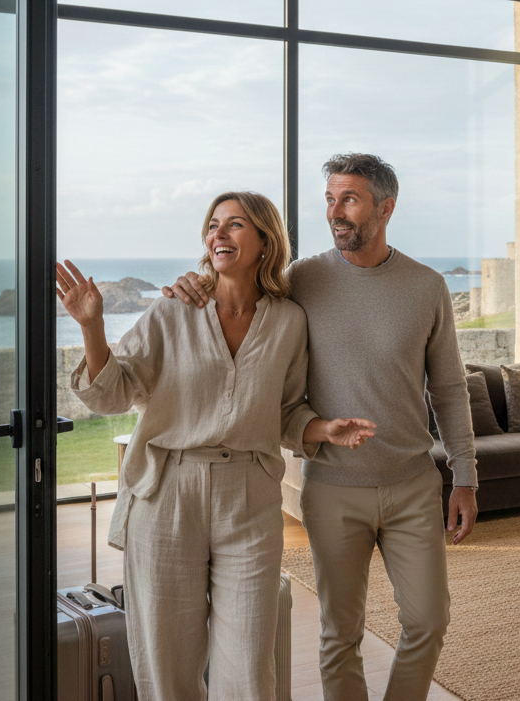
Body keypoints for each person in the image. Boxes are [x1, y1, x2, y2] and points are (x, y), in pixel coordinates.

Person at [164, 154, 479, 701]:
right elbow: (239, 300)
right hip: (333, 490)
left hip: (412, 486)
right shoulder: (302, 280)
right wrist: (193, 286)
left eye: (349, 199)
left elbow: (448, 388)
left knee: (428, 622)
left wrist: (466, 476)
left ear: (386, 207)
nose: (336, 212)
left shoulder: (427, 287)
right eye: (330, 199)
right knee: (340, 634)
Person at [58, 191, 376, 701]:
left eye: (235, 225)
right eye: (213, 225)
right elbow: (114, 392)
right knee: (167, 666)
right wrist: (92, 326)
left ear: (265, 242)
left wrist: (323, 429)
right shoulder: (173, 311)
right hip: (167, 495)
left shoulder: (289, 322)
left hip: (249, 496)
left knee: (249, 669)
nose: (219, 234)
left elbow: (286, 411)